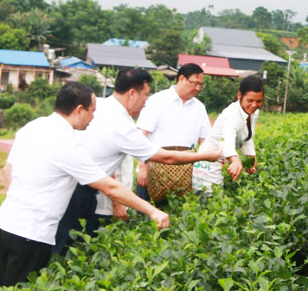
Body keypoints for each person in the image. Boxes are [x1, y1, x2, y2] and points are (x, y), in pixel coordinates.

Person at [0, 82, 169, 286]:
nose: (93, 118)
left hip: (6, 222)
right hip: (31, 234)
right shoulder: (66, 142)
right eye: (92, 112)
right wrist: (152, 211)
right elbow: (109, 186)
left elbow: (7, 170)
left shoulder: (33, 126)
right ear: (79, 110)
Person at [53, 69, 223, 255]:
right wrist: (205, 156)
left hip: (73, 186)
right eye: (145, 95)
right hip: (80, 191)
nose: (146, 102)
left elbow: (95, 155)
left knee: (69, 245)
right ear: (132, 93)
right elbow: (165, 157)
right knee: (70, 247)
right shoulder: (122, 126)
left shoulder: (98, 106)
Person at [135, 63, 211, 201]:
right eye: (195, 83)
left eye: (201, 85)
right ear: (181, 78)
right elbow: (142, 136)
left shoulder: (199, 108)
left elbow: (205, 141)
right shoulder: (157, 101)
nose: (198, 88)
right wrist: (142, 166)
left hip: (184, 176)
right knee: (145, 217)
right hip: (153, 171)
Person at [193, 75, 265, 192]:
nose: (254, 105)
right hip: (207, 162)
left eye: (259, 101)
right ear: (239, 95)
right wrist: (235, 160)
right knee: (210, 199)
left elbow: (247, 138)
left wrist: (251, 158)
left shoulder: (253, 113)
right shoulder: (231, 114)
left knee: (219, 199)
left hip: (221, 160)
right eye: (250, 100)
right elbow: (227, 140)